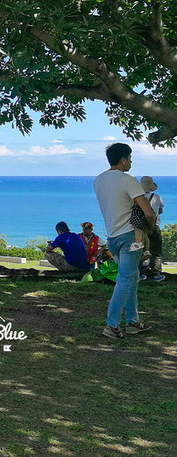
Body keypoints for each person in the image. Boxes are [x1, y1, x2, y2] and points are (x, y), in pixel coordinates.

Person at [94, 143, 155, 338]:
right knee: (125, 279)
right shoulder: (128, 179)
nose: (131, 162)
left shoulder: (99, 180)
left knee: (131, 278)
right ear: (123, 159)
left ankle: (133, 322)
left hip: (112, 237)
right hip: (131, 237)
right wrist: (150, 228)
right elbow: (148, 211)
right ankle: (111, 326)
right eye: (129, 158)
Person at [139, 176, 165, 282]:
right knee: (156, 252)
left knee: (140, 251)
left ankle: (141, 273)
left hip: (140, 228)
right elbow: (160, 210)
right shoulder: (157, 197)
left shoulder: (137, 197)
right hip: (155, 226)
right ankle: (156, 274)